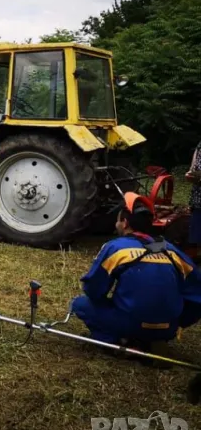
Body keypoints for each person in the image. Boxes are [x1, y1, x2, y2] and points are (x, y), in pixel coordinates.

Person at [71, 192, 201, 351]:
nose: (116, 224)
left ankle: (119, 342)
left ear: (124, 223)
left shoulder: (115, 248)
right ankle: (153, 339)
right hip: (168, 327)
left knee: (80, 304)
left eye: (117, 220)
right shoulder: (170, 249)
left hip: (130, 322)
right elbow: (197, 290)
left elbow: (94, 290)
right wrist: (180, 320)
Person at [187, 139, 201, 260]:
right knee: (197, 225)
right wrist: (191, 173)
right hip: (198, 197)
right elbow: (193, 168)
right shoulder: (200, 144)